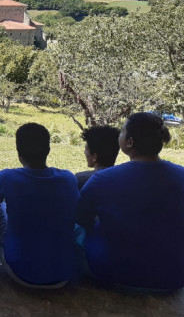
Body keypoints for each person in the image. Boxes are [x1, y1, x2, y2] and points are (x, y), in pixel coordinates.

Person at [77, 112, 184, 290]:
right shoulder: (181, 176)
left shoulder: (103, 179)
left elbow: (81, 218)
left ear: (130, 142)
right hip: (174, 277)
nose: (120, 135)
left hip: (115, 273)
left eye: (122, 132)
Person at [0, 123, 79, 288]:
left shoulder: (6, 177)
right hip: (63, 275)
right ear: (48, 150)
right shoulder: (69, 179)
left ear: (18, 152)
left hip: (21, 272)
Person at [76, 125, 120, 190]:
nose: (84, 152)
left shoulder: (81, 179)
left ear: (94, 157)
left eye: (86, 149)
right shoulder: (124, 179)